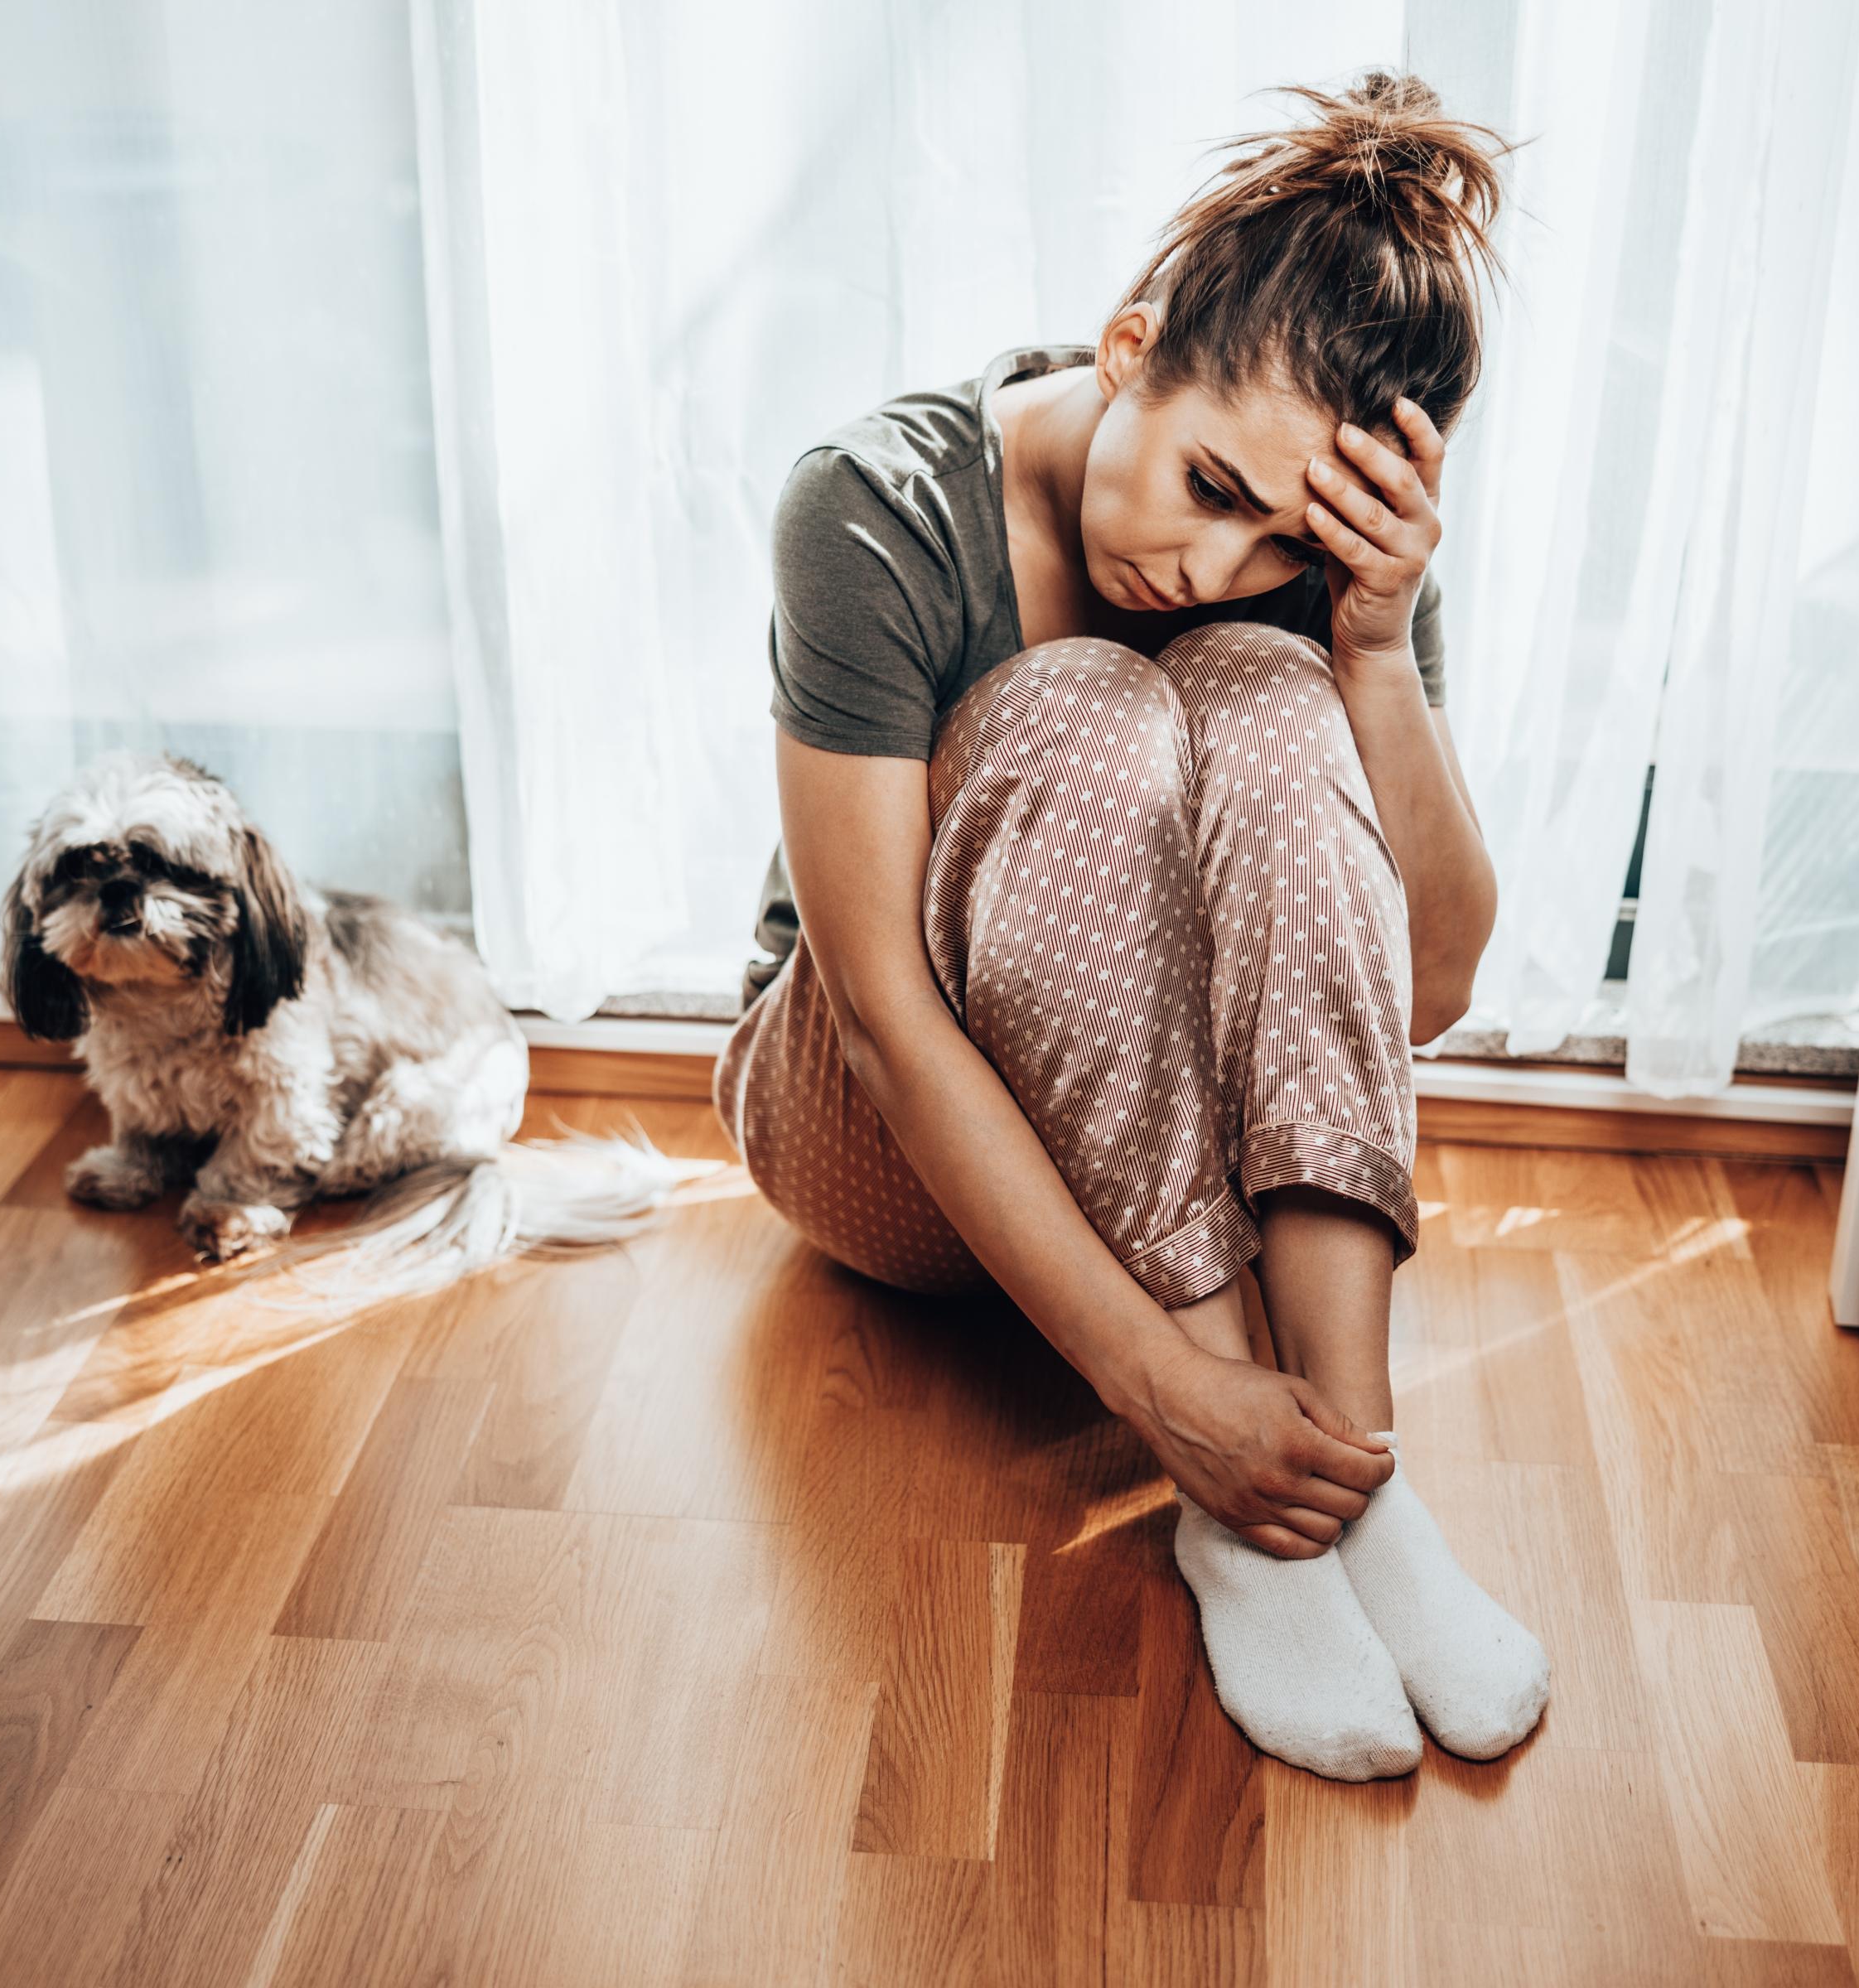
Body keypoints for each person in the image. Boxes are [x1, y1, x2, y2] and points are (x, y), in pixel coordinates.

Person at [712, 71, 1548, 1778]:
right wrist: (1169, 1407)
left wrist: (1372, 647)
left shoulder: (1322, 558)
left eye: (1275, 535)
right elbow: (875, 1015)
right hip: (880, 1141)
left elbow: (1436, 987)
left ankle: (1344, 1477)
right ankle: (1237, 1506)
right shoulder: (874, 506)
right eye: (1209, 481)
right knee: (1082, 704)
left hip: (1173, 1164)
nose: (1220, 558)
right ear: (1126, 346)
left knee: (1264, 686)